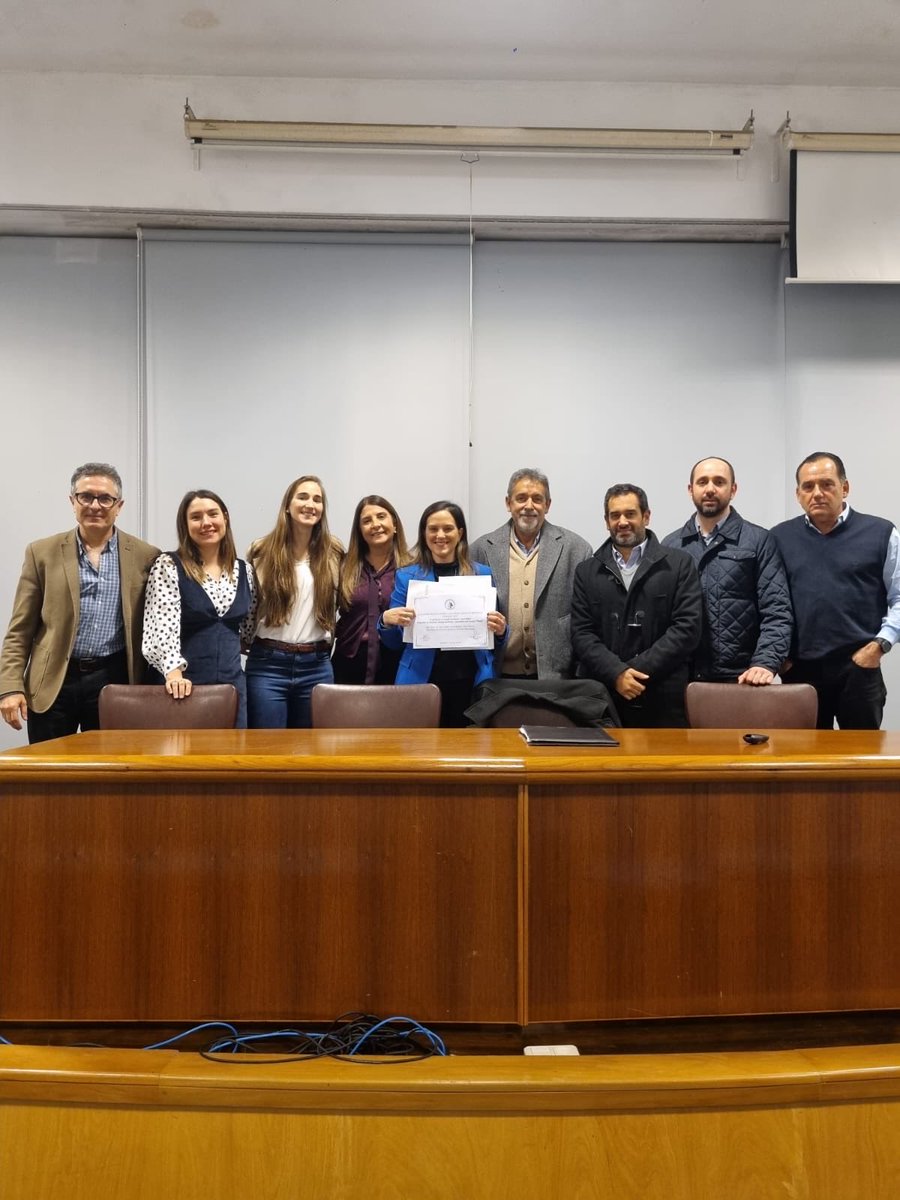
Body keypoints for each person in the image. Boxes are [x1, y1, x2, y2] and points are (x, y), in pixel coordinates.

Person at [0, 462, 159, 743]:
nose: (95, 505)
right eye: (86, 496)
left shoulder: (146, 556)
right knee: (49, 773)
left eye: (105, 498)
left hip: (114, 679)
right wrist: (10, 687)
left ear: (119, 505)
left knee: (109, 772)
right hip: (54, 679)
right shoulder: (42, 553)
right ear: (72, 501)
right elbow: (20, 629)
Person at [771, 452, 900, 729]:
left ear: (845, 487)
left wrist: (879, 646)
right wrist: (781, 659)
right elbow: (768, 603)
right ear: (798, 494)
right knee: (804, 763)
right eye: (808, 487)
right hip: (799, 671)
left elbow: (899, 597)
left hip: (859, 668)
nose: (817, 493)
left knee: (861, 762)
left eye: (827, 484)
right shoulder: (779, 538)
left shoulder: (881, 533)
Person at [571, 484, 702, 727]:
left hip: (663, 697)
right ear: (606, 521)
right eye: (615, 515)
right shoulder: (586, 571)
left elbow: (687, 629)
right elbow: (582, 633)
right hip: (605, 696)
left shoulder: (679, 564)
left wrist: (633, 672)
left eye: (630, 513)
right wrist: (616, 673)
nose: (622, 521)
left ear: (646, 516)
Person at [662, 456, 792, 685]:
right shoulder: (671, 545)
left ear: (733, 489)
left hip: (741, 678)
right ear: (690, 490)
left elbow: (777, 611)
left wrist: (765, 662)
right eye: (703, 482)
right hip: (681, 677)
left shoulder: (759, 541)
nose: (710, 489)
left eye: (719, 482)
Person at [379, 501, 508, 727]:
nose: (440, 535)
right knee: (419, 753)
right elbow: (394, 644)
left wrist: (500, 631)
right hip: (421, 680)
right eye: (433, 529)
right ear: (424, 533)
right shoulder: (407, 577)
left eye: (447, 528)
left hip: (471, 682)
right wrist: (386, 622)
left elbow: (494, 641)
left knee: (469, 753)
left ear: (460, 533)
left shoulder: (482, 574)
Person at [142, 490, 255, 727]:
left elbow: (249, 627)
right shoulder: (169, 565)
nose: (206, 523)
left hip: (232, 687)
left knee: (233, 758)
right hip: (182, 688)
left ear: (225, 518)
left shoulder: (245, 571)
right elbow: (162, 623)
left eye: (213, 514)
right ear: (185, 525)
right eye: (196, 517)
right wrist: (173, 673)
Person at [470, 468, 592, 680]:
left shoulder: (577, 549)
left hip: (556, 675)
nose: (529, 506)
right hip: (499, 674)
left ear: (548, 505)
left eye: (537, 499)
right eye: (521, 498)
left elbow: (587, 619)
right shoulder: (481, 549)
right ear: (508, 503)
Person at [245, 475, 341, 728]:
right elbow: (248, 604)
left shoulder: (334, 552)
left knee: (313, 752)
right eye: (303, 497)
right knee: (268, 750)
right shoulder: (261, 550)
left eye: (317, 500)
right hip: (268, 665)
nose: (311, 504)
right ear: (287, 505)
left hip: (317, 665)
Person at [333, 495, 410, 685]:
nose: (375, 524)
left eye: (381, 516)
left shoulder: (413, 569)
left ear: (395, 525)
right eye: (366, 521)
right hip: (349, 661)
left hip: (396, 661)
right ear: (359, 531)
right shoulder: (343, 566)